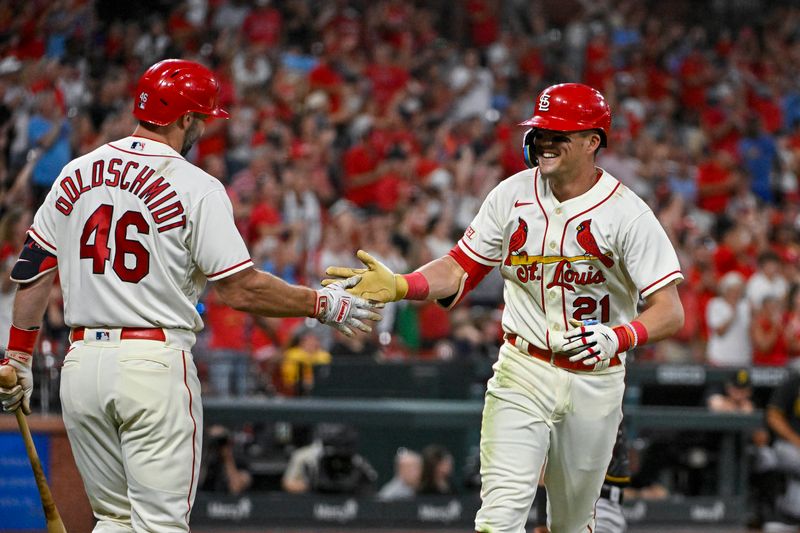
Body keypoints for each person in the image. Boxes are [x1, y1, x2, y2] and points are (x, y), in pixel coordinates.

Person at [0, 59, 380, 533]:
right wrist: (322, 304)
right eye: (200, 117)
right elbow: (239, 288)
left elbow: (34, 269)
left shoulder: (77, 171)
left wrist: (18, 355)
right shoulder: (195, 186)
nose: (202, 126)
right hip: (152, 364)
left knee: (116, 520)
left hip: (82, 368)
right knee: (160, 525)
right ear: (183, 120)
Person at [324, 83, 685, 532]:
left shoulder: (628, 214)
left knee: (573, 524)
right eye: (541, 132)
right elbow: (459, 267)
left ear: (593, 142)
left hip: (595, 378)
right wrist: (402, 284)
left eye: (559, 134)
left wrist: (620, 335)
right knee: (499, 518)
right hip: (523, 368)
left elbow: (670, 310)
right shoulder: (511, 194)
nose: (544, 142)